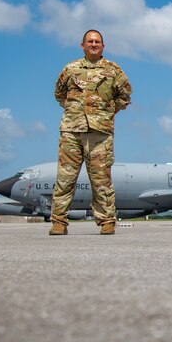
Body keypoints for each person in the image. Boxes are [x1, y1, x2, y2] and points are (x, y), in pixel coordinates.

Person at [49, 30, 132, 236]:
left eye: (97, 42)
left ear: (103, 46)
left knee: (101, 179)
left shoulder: (113, 70)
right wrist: (73, 112)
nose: (93, 44)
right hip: (71, 131)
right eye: (90, 41)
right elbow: (59, 94)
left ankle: (106, 221)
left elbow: (125, 95)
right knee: (65, 179)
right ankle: (59, 222)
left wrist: (108, 113)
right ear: (82, 45)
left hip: (100, 133)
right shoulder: (70, 69)